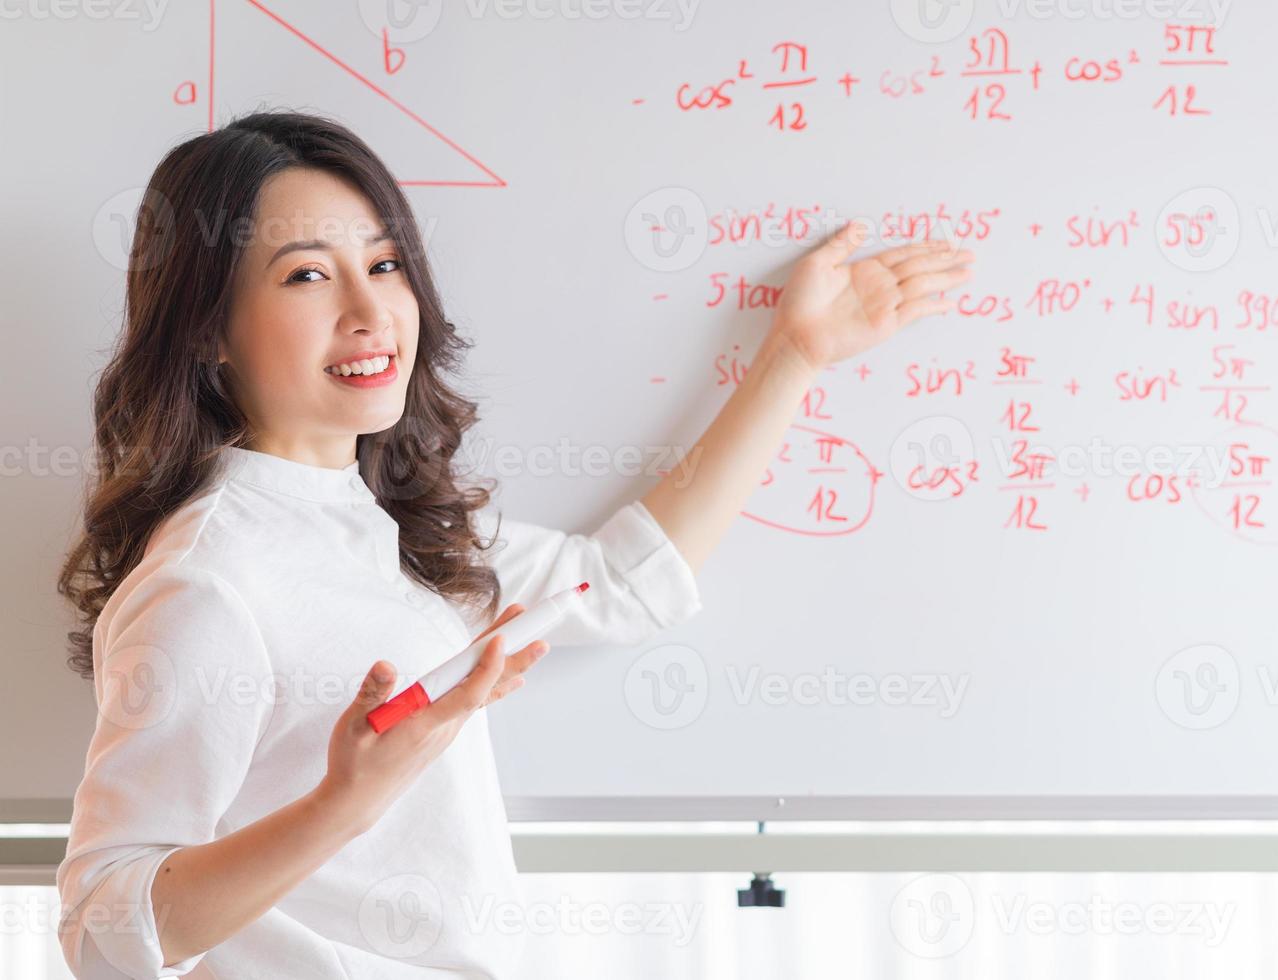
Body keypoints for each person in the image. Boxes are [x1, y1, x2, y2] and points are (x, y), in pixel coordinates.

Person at [53, 109, 975, 978]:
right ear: (208, 327)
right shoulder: (210, 577)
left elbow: (621, 583)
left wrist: (796, 354)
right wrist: (343, 804)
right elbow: (101, 924)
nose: (370, 312)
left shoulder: (392, 525)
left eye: (383, 264)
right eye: (306, 275)